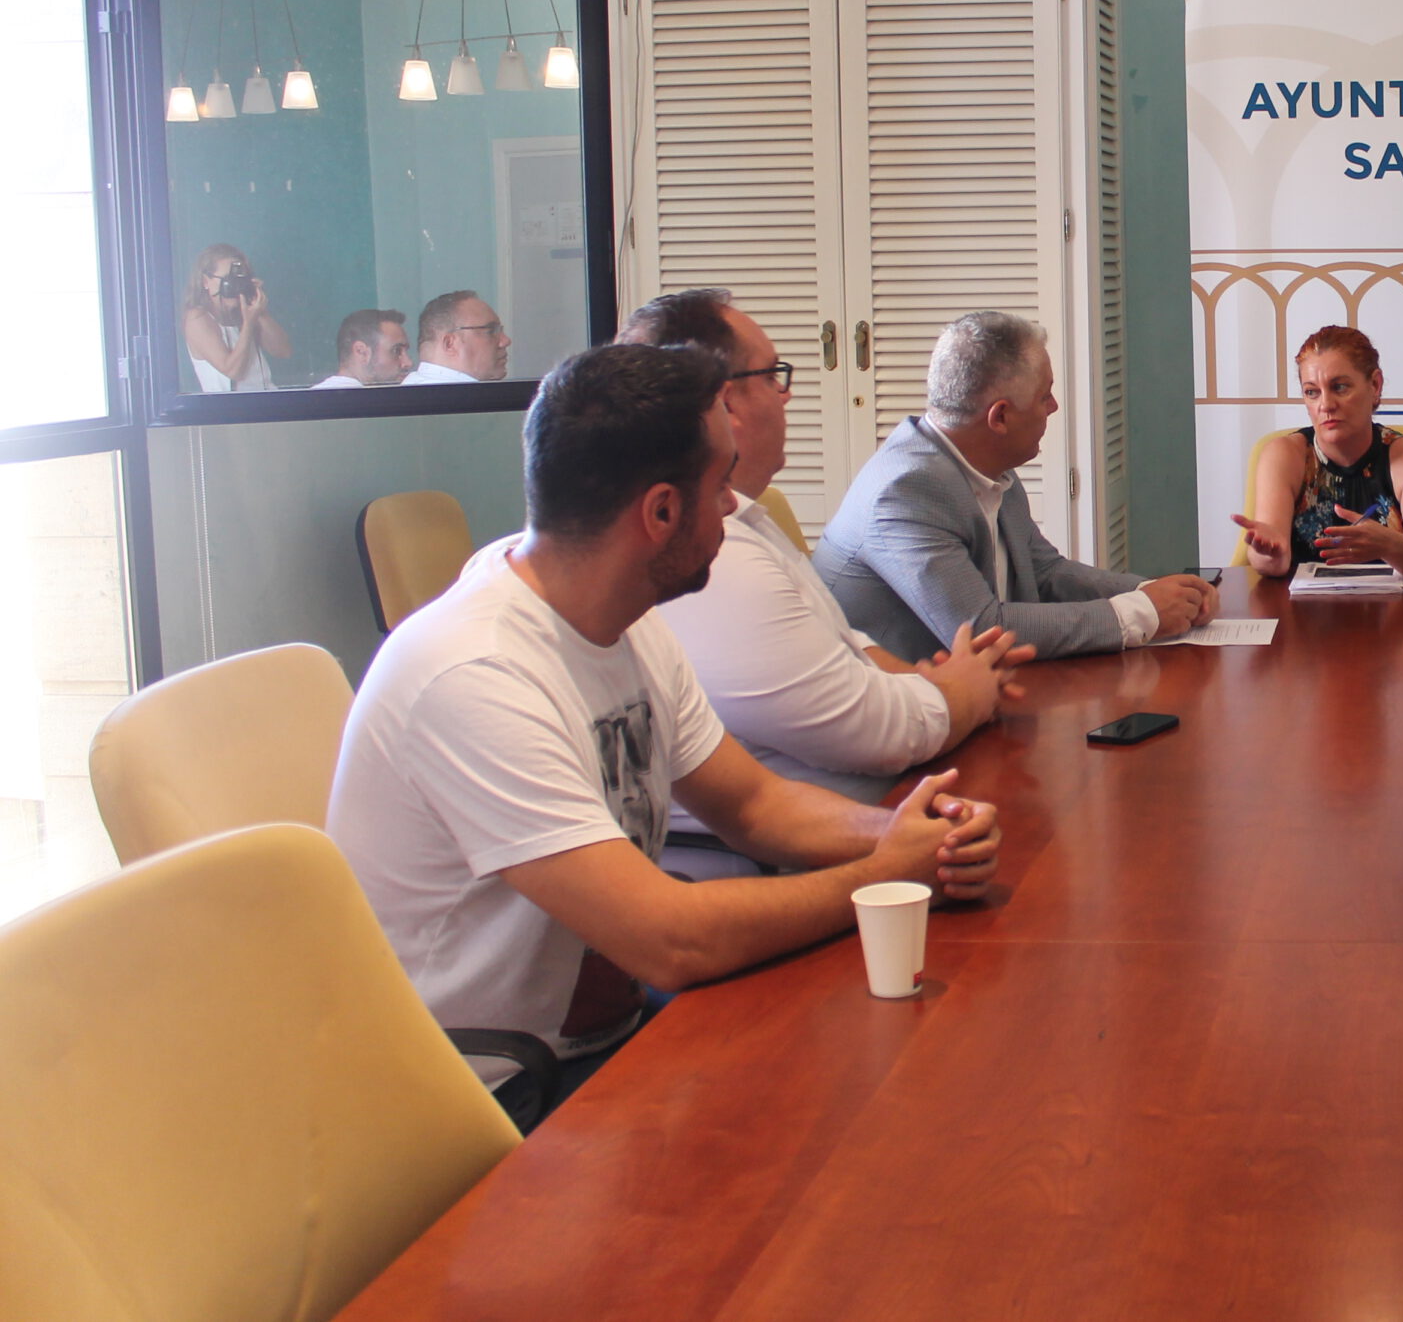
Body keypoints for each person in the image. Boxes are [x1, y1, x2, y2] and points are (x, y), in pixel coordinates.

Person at [327, 344, 1000, 1128]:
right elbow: (669, 941)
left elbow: (754, 805)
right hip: (488, 1094)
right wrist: (880, 875)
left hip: (605, 1041)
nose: (734, 508)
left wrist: (908, 834)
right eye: (720, 487)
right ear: (660, 513)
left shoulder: (627, 619)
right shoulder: (473, 672)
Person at [621, 288, 1030, 802]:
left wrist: (930, 681)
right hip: (844, 825)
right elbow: (881, 736)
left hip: (879, 806)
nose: (785, 395)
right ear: (727, 403)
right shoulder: (715, 553)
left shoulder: (747, 517)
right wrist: (963, 690)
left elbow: (842, 639)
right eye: (771, 376)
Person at [815, 310, 1213, 661]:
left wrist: (1158, 592)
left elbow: (1044, 572)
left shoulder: (988, 464)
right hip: (899, 708)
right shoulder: (905, 492)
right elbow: (981, 630)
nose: (1054, 407)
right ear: (1000, 417)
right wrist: (1143, 611)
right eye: (1045, 396)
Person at [1230, 325, 1403, 579]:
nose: (1325, 405)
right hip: (1298, 603)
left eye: (1340, 387)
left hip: (1397, 603)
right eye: (1312, 392)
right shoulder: (1283, 455)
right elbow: (1269, 560)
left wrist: (1389, 544)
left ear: (1375, 385)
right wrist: (1270, 555)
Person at [180, 243, 290, 393]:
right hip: (232, 405)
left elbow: (283, 351)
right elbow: (233, 371)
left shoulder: (246, 311)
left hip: (267, 399)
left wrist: (261, 313)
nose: (235, 286)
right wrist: (249, 323)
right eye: (228, 279)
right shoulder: (197, 319)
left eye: (239, 280)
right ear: (206, 282)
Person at [406, 289, 511, 383]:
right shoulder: (448, 397)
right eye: (491, 331)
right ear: (449, 344)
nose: (506, 341)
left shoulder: (413, 393)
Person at [311, 308, 412, 388]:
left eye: (405, 351)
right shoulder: (364, 403)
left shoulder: (312, 401)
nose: (408, 363)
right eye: (396, 351)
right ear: (361, 352)